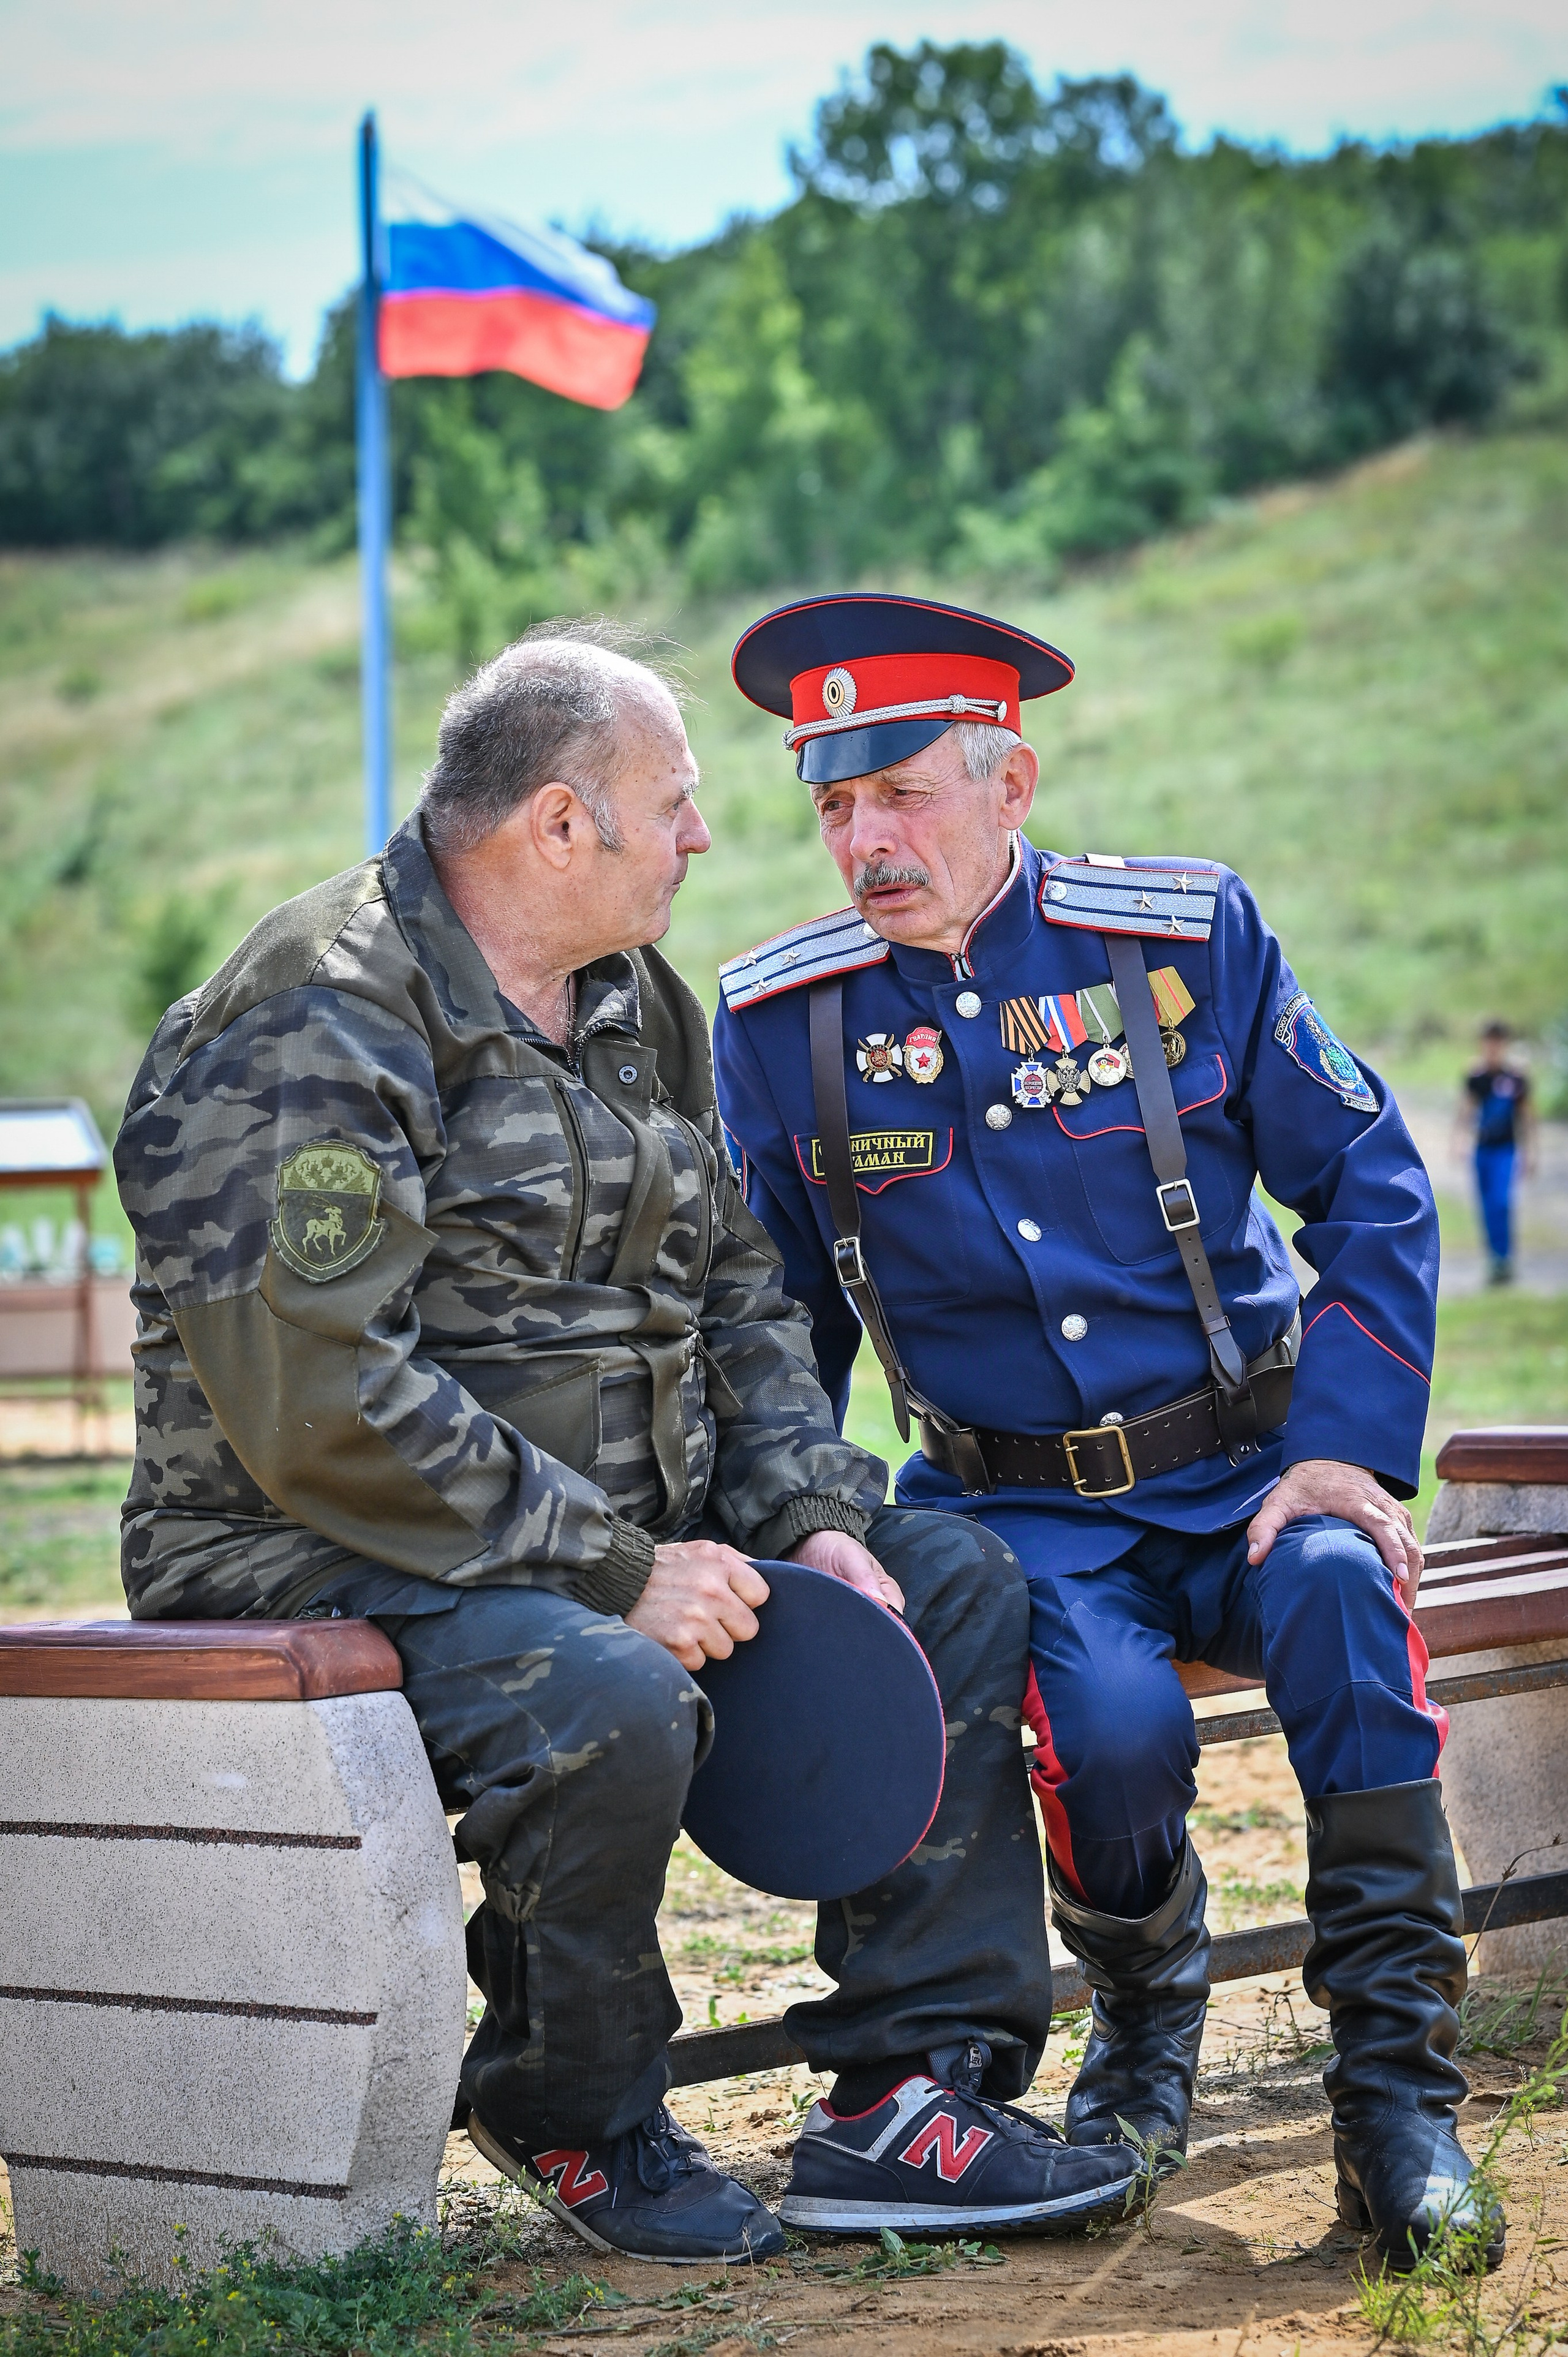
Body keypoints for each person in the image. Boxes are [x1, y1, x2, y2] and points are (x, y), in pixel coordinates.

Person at [114, 620, 1141, 2265]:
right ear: (558, 824)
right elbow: (316, 1397)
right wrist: (617, 1568)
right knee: (609, 1690)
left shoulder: (627, 1001)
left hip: (609, 1540)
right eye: (675, 800)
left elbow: (734, 1290)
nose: (707, 835)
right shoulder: (320, 1010)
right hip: (321, 1544)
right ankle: (572, 2106)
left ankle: (907, 2094)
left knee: (938, 1576)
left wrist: (809, 1519)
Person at [713, 592, 1500, 2274]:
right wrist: (808, 1510)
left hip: (1255, 1462)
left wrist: (1348, 1454)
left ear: (1012, 782)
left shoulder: (1180, 941)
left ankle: (1397, 2101)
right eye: (834, 804)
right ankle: (1149, 2003)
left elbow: (1367, 1185)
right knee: (1117, 1732)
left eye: (904, 791)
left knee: (1350, 1606)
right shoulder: (787, 1027)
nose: (865, 838)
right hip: (1025, 1519)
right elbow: (771, 1322)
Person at [1456, 1022, 1534, 1284]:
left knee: (1501, 1202)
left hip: (1506, 1150)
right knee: (1486, 1206)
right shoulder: (1476, 1077)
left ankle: (1505, 1258)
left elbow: (1527, 1115)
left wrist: (1531, 1152)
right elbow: (1467, 1111)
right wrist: (1459, 1141)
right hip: (1483, 1150)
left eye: (1498, 1043)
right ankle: (1494, 1261)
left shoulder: (1516, 1077)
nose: (1493, 1049)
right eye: (1489, 1043)